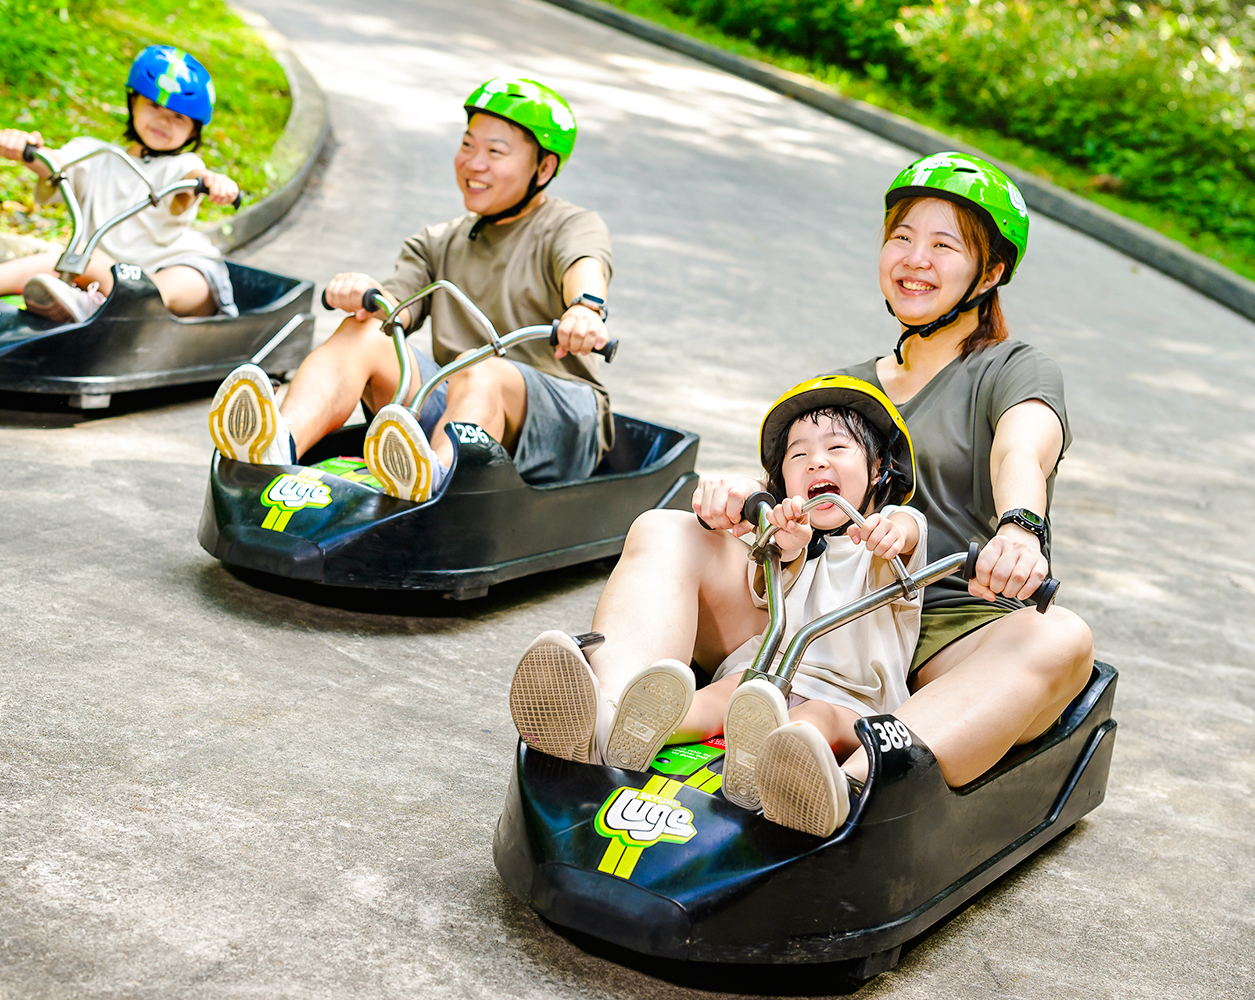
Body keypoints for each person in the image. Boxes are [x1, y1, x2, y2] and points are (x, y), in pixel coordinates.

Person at [509, 151, 1095, 835]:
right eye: (902, 238)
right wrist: (734, 499)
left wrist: (1020, 526)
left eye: (944, 246)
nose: (915, 259)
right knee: (666, 529)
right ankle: (605, 720)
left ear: (989, 273)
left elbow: (1023, 446)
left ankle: (844, 784)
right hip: (818, 600)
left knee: (1063, 637)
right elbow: (788, 488)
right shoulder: (844, 388)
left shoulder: (1010, 368)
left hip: (939, 629)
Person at [509, 376, 928, 837]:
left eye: (836, 449)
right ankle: (611, 730)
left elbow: (909, 531)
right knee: (716, 700)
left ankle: (780, 773)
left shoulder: (886, 533)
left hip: (850, 701)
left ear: (878, 471)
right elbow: (777, 568)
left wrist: (895, 534)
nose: (816, 463)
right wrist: (779, 538)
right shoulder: (792, 538)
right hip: (764, 679)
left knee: (813, 721)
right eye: (799, 455)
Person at [205, 77, 613, 501]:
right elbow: (393, 307)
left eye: (495, 152)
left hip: (562, 421)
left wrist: (585, 309)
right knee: (363, 333)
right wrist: (364, 293)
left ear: (544, 168)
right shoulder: (438, 241)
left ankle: (434, 483)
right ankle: (277, 445)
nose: (473, 163)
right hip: (463, 406)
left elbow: (584, 266)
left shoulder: (570, 225)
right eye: (468, 145)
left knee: (480, 367)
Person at [0, 45, 241, 322]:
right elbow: (53, 163)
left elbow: (192, 181)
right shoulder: (95, 154)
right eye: (153, 105)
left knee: (176, 281)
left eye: (178, 117)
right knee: (67, 258)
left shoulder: (184, 165)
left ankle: (93, 308)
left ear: (193, 131)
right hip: (108, 271)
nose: (163, 120)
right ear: (133, 103)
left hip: (179, 273)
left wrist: (212, 183)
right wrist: (22, 149)